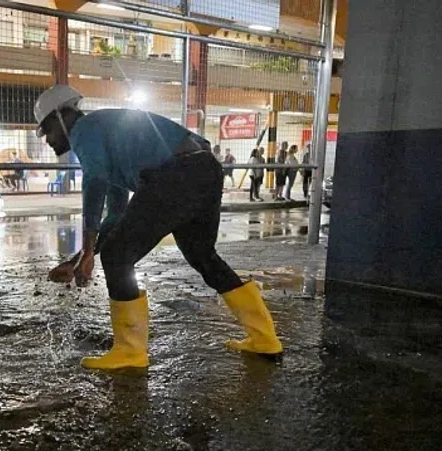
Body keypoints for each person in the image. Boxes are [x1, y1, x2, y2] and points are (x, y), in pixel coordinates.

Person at [36, 85, 282, 370]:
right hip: (204, 169)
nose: (48, 140)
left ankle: (130, 352)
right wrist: (83, 254)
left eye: (47, 131)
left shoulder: (84, 130)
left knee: (117, 257)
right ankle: (264, 338)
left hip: (175, 174)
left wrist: (91, 251)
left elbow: (94, 186)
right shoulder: (104, 131)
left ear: (61, 117)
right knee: (202, 256)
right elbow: (115, 213)